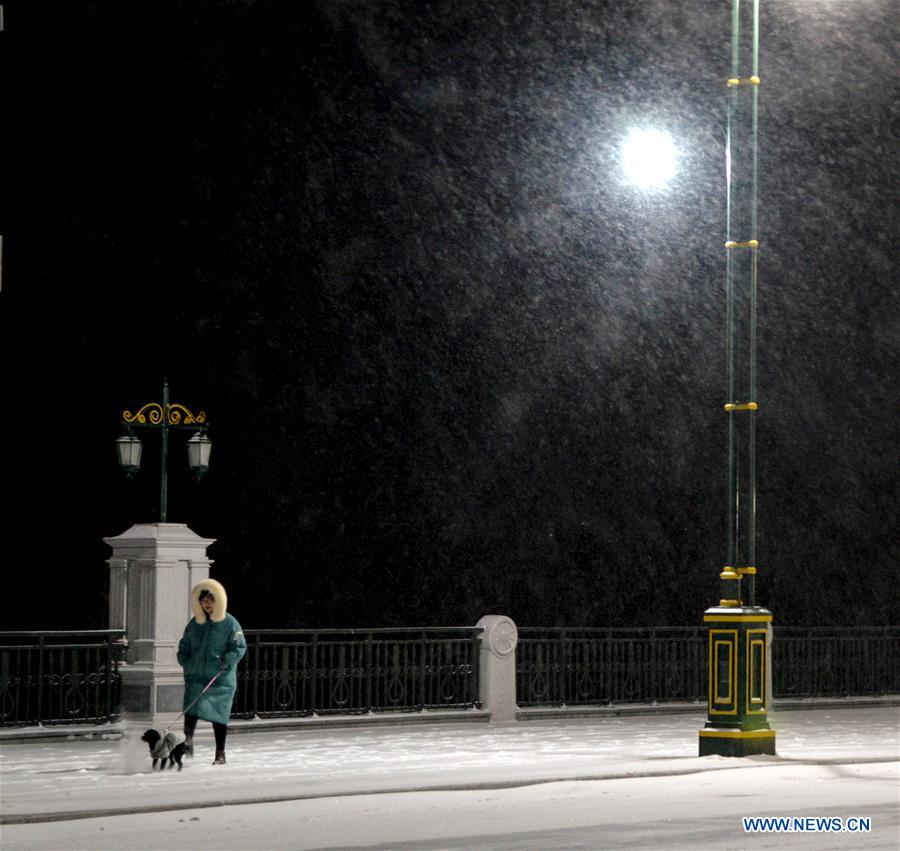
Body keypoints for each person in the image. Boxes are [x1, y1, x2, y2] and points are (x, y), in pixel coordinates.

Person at [177, 578, 246, 765]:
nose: (207, 604)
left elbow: (239, 647)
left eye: (210, 600)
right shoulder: (195, 623)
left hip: (220, 678)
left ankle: (220, 752)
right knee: (191, 711)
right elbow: (184, 645)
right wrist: (186, 661)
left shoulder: (230, 623)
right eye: (204, 600)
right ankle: (188, 742)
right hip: (196, 676)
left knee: (219, 716)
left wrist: (227, 661)